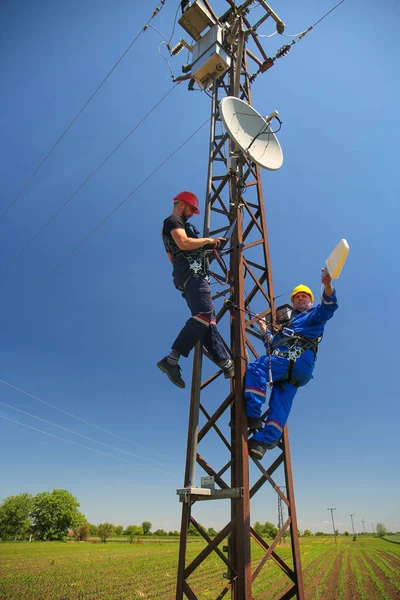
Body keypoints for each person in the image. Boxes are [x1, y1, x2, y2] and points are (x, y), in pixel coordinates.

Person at [245, 268, 338, 459]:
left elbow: (328, 308)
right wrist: (265, 331)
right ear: (293, 302)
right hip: (299, 370)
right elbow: (273, 345)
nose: (301, 299)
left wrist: (328, 286)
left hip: (293, 360)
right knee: (281, 403)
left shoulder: (312, 315)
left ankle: (253, 416)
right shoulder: (288, 326)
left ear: (311, 301)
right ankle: (263, 442)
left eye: (305, 297)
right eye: (297, 297)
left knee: (256, 368)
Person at [157, 191, 235, 388]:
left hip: (186, 276)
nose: (192, 214)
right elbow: (184, 243)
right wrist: (208, 241)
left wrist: (205, 251)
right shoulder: (174, 220)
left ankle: (225, 362)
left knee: (208, 321)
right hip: (193, 275)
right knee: (204, 314)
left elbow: (173, 258)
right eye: (192, 209)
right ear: (182, 204)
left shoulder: (170, 228)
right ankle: (171, 359)